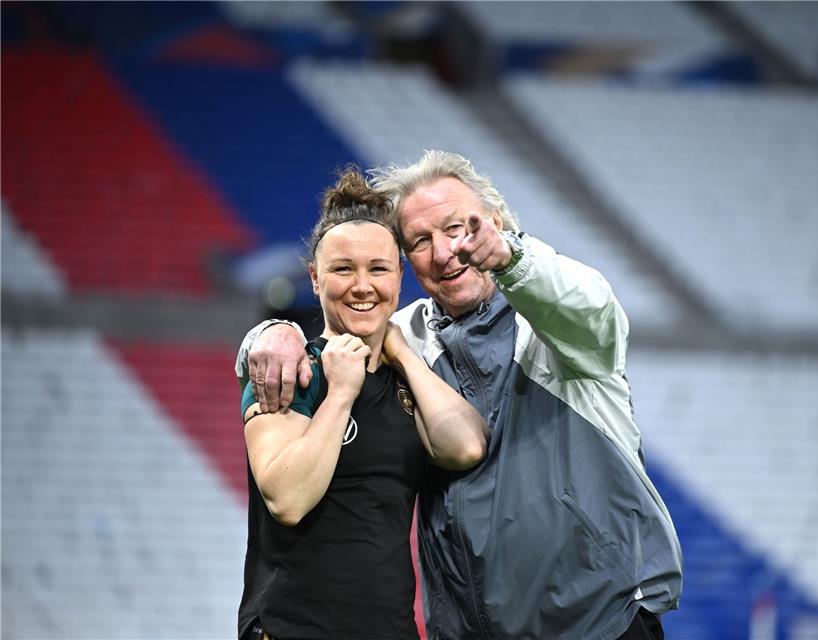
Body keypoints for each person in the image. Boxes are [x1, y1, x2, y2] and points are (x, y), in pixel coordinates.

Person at [237, 151, 683, 640]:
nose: (445, 252)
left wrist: (514, 257)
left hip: (597, 625)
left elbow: (590, 306)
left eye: (456, 229)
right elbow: (337, 323)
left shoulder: (555, 329)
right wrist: (270, 334)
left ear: (496, 224)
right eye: (421, 241)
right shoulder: (405, 336)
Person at [237, 168, 488, 640]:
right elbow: (287, 500)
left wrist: (402, 356)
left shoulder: (408, 378)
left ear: (398, 276)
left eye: (377, 268)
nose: (361, 286)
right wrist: (343, 392)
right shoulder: (286, 368)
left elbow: (467, 446)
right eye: (342, 269)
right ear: (314, 278)